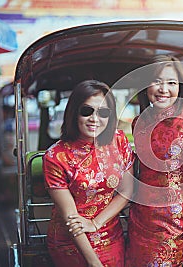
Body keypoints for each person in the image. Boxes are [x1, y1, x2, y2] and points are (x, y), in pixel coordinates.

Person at [126, 55, 183, 267]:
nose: (164, 89)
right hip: (140, 222)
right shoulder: (140, 122)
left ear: (180, 88)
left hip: (175, 227)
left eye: (171, 82)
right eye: (157, 81)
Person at [43, 80, 135, 267]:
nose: (95, 118)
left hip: (110, 235)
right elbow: (71, 217)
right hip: (72, 242)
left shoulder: (118, 141)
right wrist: (94, 263)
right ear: (74, 113)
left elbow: (127, 191)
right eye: (87, 111)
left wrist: (96, 223)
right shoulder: (55, 156)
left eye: (103, 112)